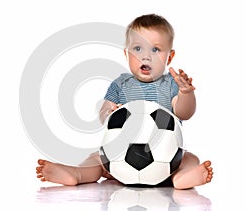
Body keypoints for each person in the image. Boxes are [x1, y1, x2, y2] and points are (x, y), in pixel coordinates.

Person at [36, 14, 213, 189]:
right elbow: (104, 116)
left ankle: (182, 177)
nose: (146, 56)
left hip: (167, 159)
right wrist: (109, 112)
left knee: (189, 159)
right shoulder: (120, 85)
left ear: (170, 57)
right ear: (126, 54)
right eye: (137, 49)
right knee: (96, 158)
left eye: (155, 49)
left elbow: (184, 113)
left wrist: (186, 92)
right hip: (119, 161)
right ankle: (76, 173)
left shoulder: (171, 85)